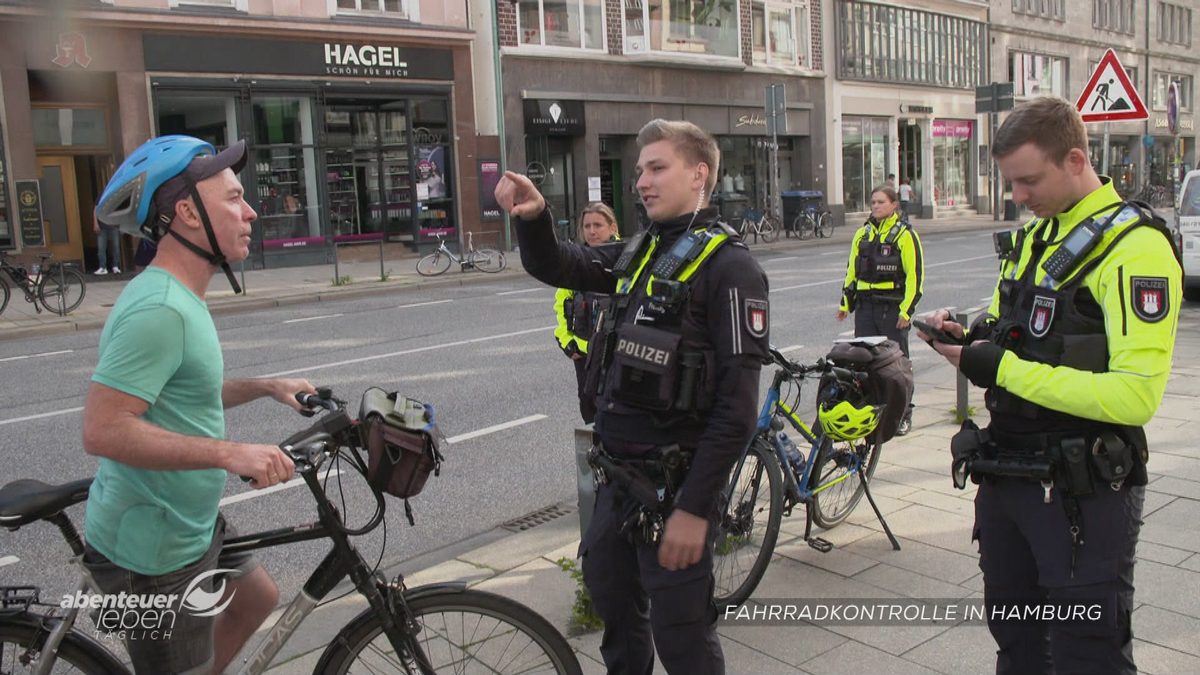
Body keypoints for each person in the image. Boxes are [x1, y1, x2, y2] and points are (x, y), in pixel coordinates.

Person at [495, 119, 769, 675]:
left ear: (699, 175)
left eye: (657, 167)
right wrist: (534, 217)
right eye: (640, 169)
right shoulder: (641, 252)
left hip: (676, 487)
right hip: (616, 482)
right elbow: (559, 264)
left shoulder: (732, 268)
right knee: (617, 619)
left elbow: (738, 411)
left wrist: (694, 510)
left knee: (684, 640)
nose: (642, 180)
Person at [919, 97, 1181, 675]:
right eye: (1011, 182)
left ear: (1076, 159)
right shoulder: (1038, 236)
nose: (1018, 196)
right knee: (1017, 648)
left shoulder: (1136, 248)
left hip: (1081, 492)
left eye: (1029, 180)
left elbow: (1136, 396)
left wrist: (1000, 368)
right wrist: (969, 334)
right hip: (1008, 475)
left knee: (1087, 655)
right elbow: (1014, 326)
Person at [84, 135, 317, 675]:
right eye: (234, 198)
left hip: (187, 522)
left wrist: (266, 385)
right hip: (156, 553)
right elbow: (103, 429)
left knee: (256, 600)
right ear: (187, 214)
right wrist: (230, 454)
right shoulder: (161, 309)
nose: (252, 211)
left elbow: (179, 396)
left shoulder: (180, 298)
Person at [837, 185, 923, 434]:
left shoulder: (905, 235)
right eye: (873, 202)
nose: (875, 206)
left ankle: (904, 414)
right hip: (865, 307)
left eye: (881, 202)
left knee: (897, 364)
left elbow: (915, 277)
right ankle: (871, 412)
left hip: (892, 309)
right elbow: (851, 272)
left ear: (894, 205)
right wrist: (845, 305)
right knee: (863, 361)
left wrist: (906, 312)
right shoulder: (862, 234)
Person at [553, 202, 620, 425]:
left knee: (617, 411)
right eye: (587, 225)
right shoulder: (577, 260)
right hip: (584, 355)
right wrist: (567, 343)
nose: (592, 231)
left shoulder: (627, 259)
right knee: (588, 408)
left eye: (598, 225)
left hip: (616, 355)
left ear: (613, 228)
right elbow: (562, 305)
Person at [93, 203, 122, 275]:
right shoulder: (101, 196)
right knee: (101, 248)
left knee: (116, 247)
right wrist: (95, 223)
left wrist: (122, 226)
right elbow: (95, 210)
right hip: (102, 226)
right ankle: (102, 267)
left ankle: (116, 266)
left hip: (114, 226)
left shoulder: (114, 194)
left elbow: (120, 211)